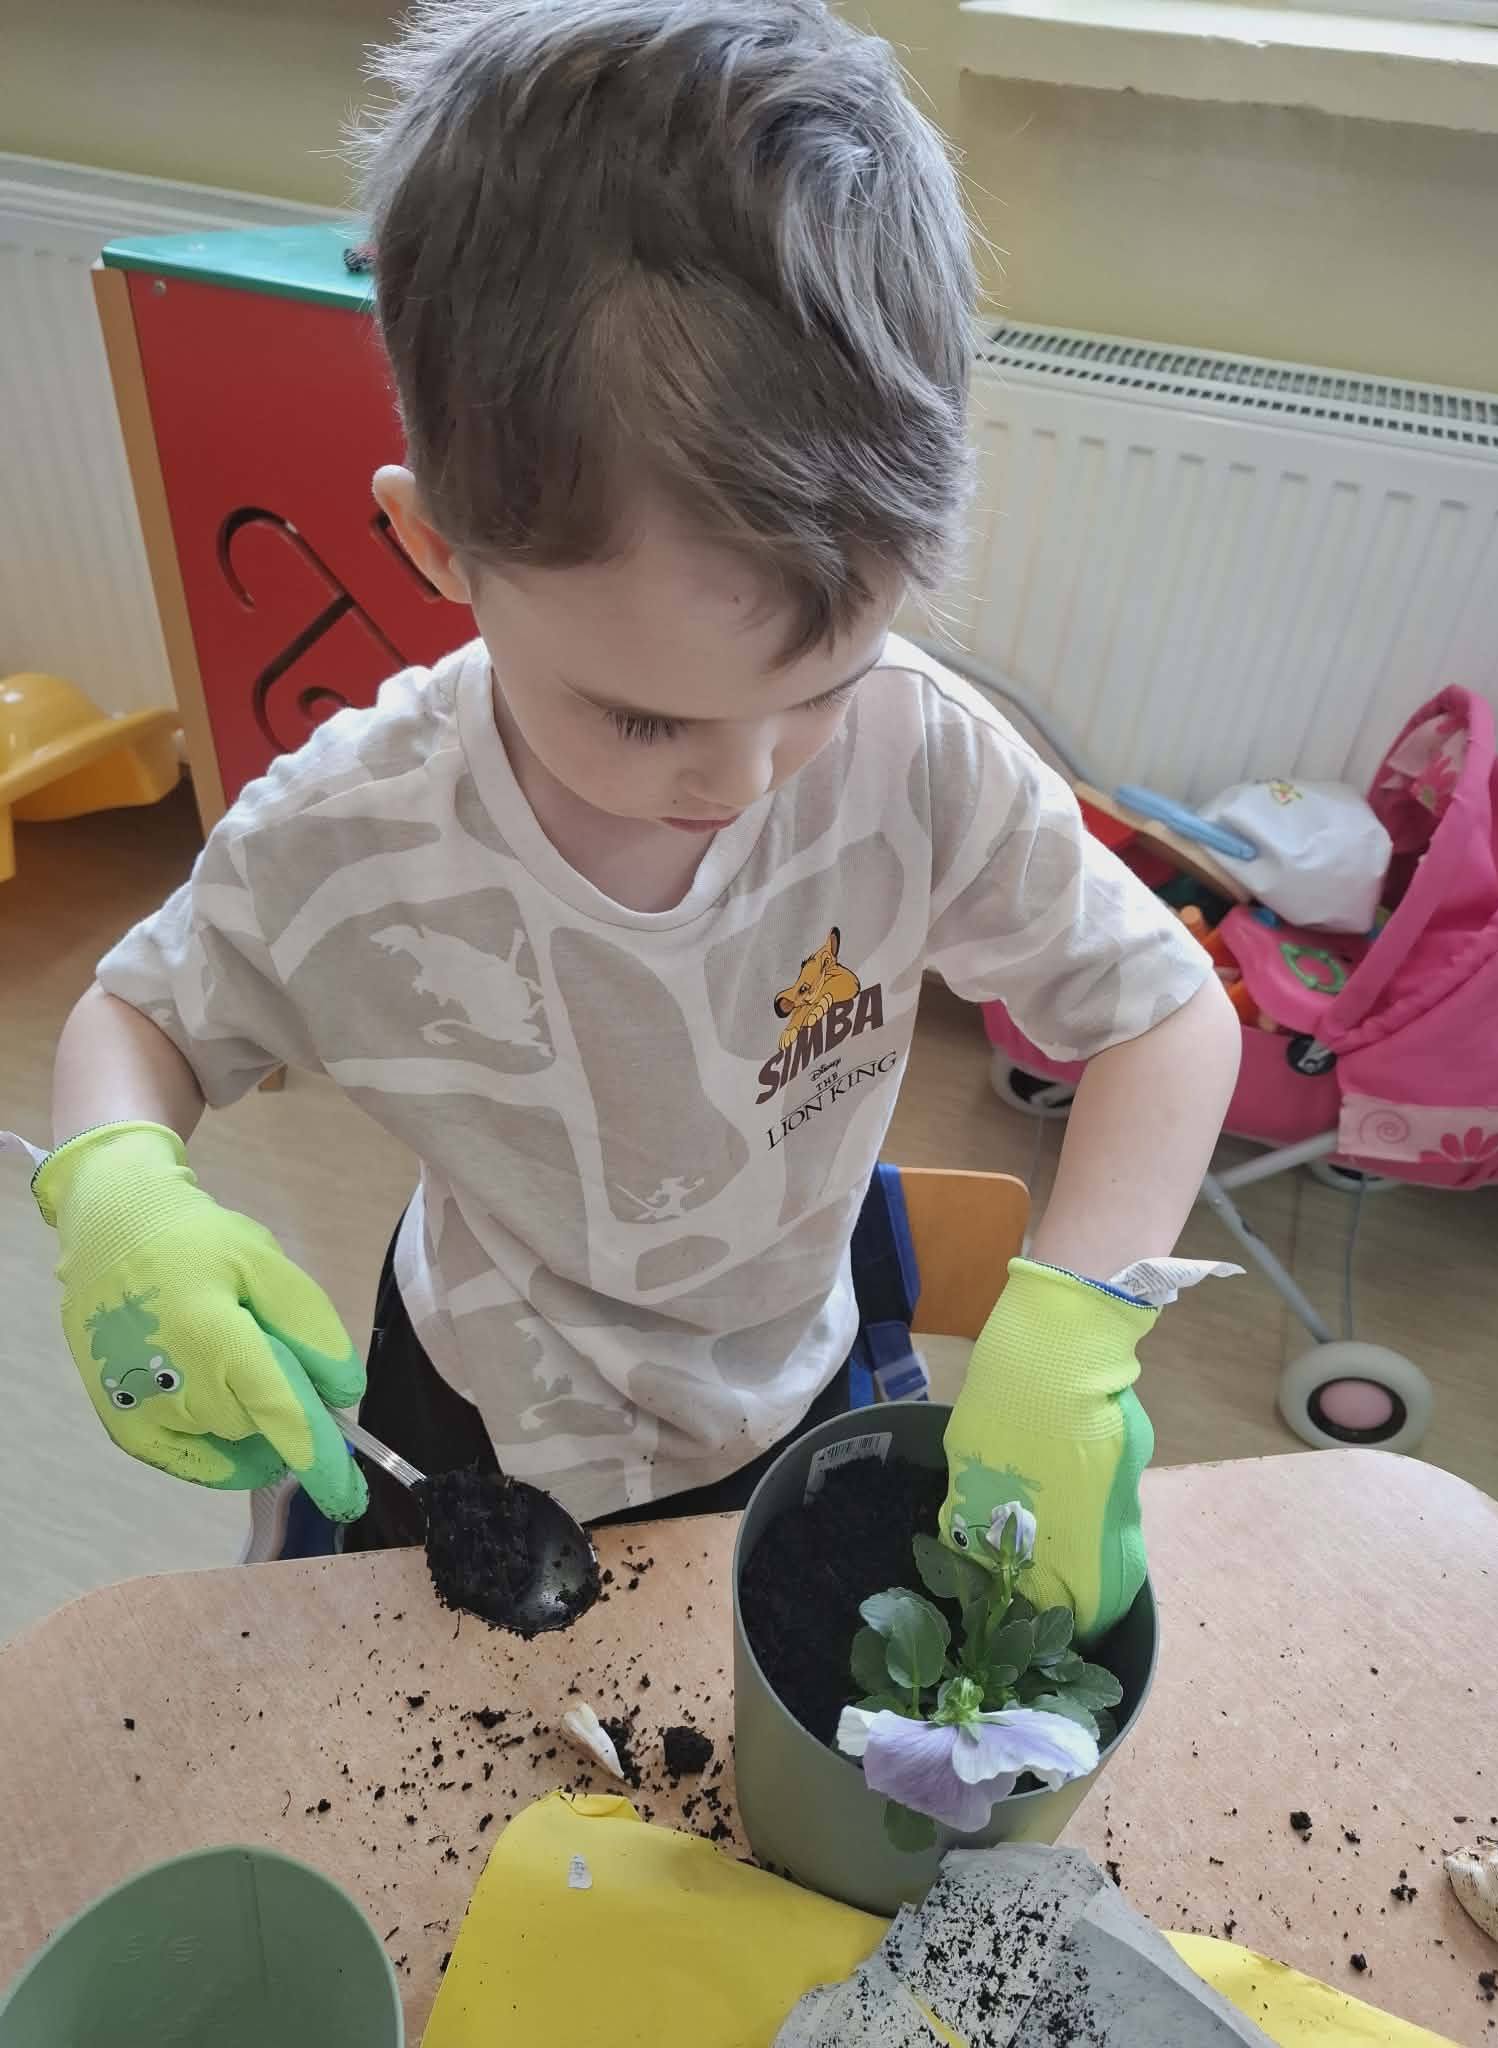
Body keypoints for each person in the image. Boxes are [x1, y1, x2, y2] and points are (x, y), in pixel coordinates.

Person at [32, 0, 1239, 1641]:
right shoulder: (355, 837)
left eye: (822, 683)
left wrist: (1077, 1329)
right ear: (441, 551)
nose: (744, 781)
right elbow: (138, 1021)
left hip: (798, 1379)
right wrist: (118, 1191)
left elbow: (1167, 1015)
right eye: (645, 717)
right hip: (472, 1408)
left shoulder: (920, 757)